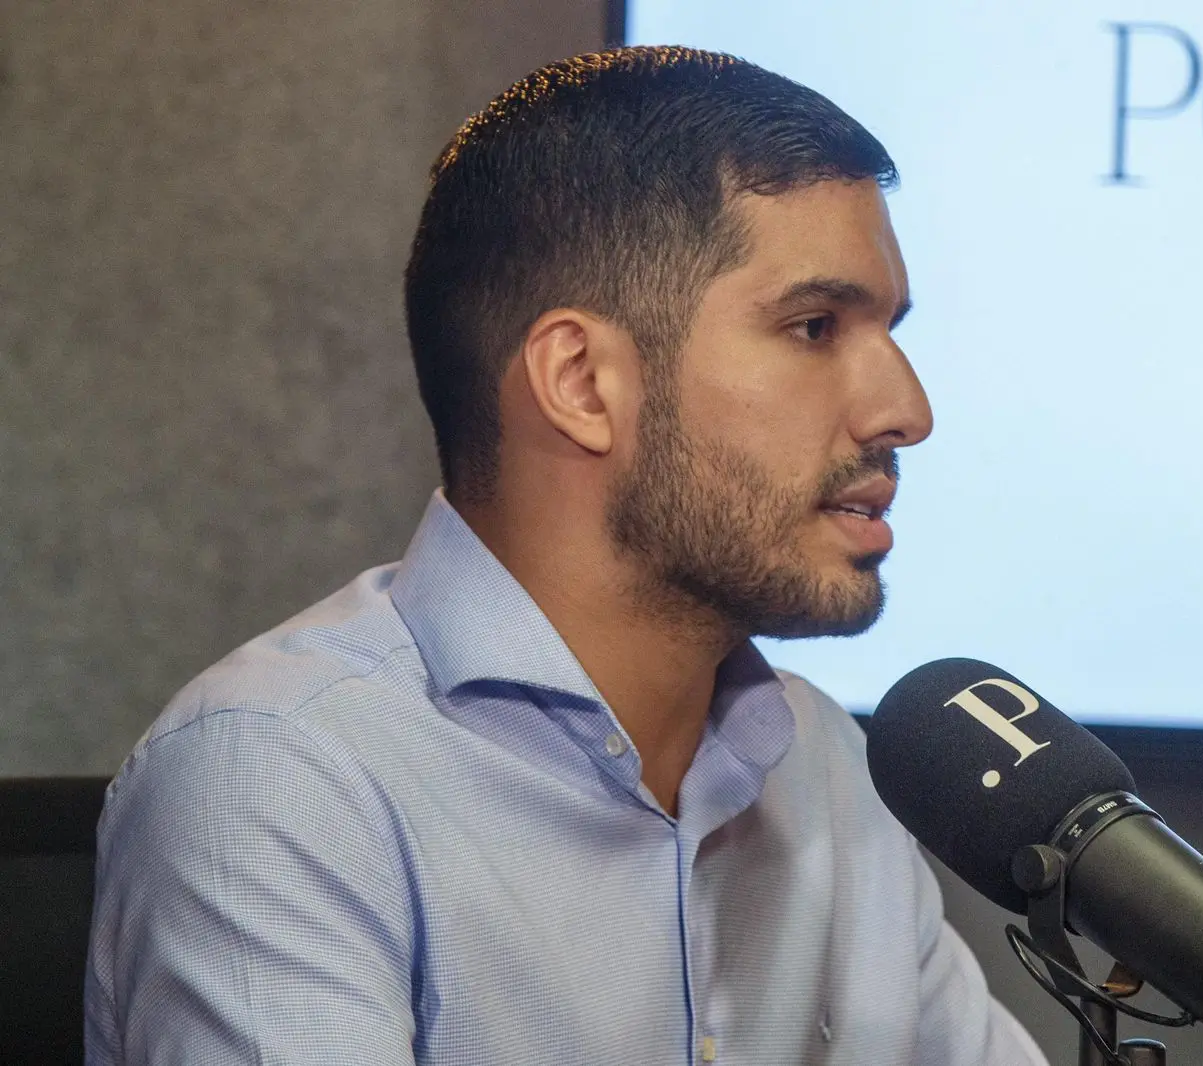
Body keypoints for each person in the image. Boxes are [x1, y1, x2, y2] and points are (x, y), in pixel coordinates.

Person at [85, 45, 1046, 1065]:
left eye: (889, 330)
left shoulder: (826, 766)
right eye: (814, 326)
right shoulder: (283, 777)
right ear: (582, 383)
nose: (905, 411)